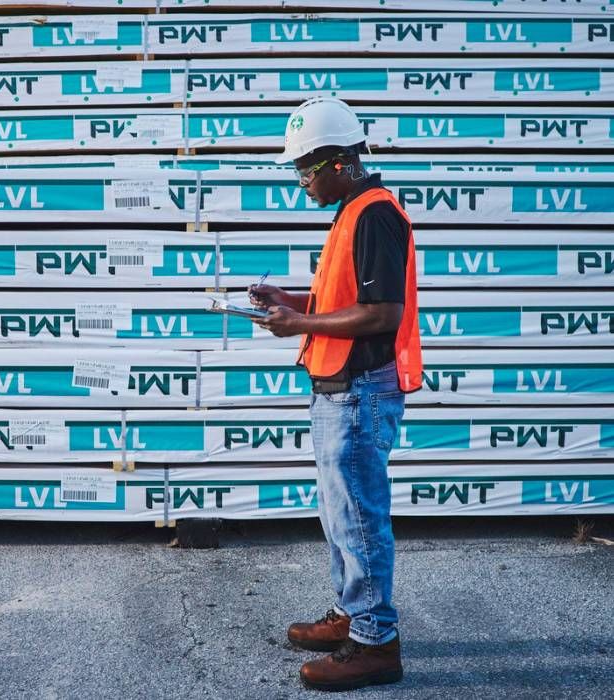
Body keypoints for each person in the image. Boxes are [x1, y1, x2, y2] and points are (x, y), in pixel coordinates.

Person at [249, 97, 423, 692]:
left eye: (306, 168)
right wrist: (291, 303)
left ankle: (376, 643)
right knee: (340, 516)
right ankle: (353, 612)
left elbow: (381, 314)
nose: (300, 181)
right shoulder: (351, 213)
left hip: (359, 392)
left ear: (341, 162)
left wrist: (298, 326)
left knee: (361, 522)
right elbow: (341, 303)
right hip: (338, 390)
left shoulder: (374, 215)